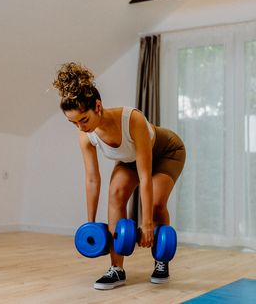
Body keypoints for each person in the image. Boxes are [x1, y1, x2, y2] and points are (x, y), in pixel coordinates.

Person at [52, 62, 186, 290]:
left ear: (98, 106)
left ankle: (161, 260)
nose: (81, 128)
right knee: (115, 195)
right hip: (130, 160)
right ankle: (117, 269)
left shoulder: (131, 119)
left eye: (84, 119)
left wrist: (146, 224)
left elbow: (145, 176)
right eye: (73, 123)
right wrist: (91, 224)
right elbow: (93, 180)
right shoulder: (86, 136)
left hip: (166, 153)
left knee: (155, 204)